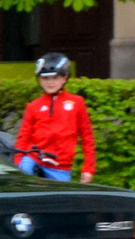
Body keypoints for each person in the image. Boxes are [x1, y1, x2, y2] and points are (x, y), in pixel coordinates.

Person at [14, 52, 95, 183]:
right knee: (24, 175)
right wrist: (18, 162)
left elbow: (87, 137)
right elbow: (23, 137)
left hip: (60, 164)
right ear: (39, 79)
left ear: (65, 78)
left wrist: (88, 168)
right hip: (34, 156)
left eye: (55, 78)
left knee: (60, 200)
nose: (50, 82)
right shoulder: (33, 106)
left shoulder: (77, 103)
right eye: (45, 78)